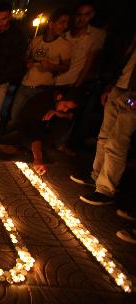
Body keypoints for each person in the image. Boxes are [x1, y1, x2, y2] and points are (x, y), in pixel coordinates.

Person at [70, 48, 135, 205]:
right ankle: (96, 175)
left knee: (117, 141)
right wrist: (110, 86)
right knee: (104, 136)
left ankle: (106, 189)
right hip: (118, 88)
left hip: (132, 95)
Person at [7, 8, 72, 131]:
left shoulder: (64, 45)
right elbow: (25, 59)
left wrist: (52, 66)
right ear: (51, 24)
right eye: (61, 22)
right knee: (14, 116)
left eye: (66, 23)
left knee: (32, 119)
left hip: (42, 88)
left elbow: (66, 66)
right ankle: (7, 145)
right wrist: (27, 63)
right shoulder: (36, 40)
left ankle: (25, 144)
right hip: (25, 84)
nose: (65, 26)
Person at [0, 2, 27, 140]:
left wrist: (0, 80)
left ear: (10, 17)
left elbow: (15, 63)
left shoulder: (16, 36)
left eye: (4, 19)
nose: (1, 22)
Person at [18, 88, 80, 175]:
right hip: (27, 127)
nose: (66, 110)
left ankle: (45, 146)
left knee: (64, 121)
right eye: (65, 106)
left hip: (42, 129)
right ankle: (36, 148)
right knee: (30, 145)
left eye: (68, 108)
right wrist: (38, 159)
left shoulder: (59, 103)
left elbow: (71, 116)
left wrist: (56, 113)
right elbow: (36, 132)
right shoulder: (41, 102)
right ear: (59, 97)